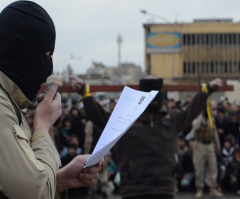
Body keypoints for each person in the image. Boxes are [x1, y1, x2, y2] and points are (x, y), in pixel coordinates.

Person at [0, 2, 103, 199]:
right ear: (21, 51)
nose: (49, 69)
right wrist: (42, 126)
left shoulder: (10, 101)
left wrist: (61, 180)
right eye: (47, 55)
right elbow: (34, 194)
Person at [70, 74, 222, 199]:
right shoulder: (126, 118)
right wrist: (85, 92)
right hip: (134, 190)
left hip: (165, 190)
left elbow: (192, 110)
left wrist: (207, 90)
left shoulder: (171, 117)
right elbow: (99, 116)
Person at [192, 103, 222, 198]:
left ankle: (212, 189)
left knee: (213, 168)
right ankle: (199, 189)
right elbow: (196, 127)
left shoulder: (211, 119)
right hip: (200, 145)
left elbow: (215, 132)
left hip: (209, 145)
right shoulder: (197, 118)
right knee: (199, 168)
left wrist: (218, 145)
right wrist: (201, 114)